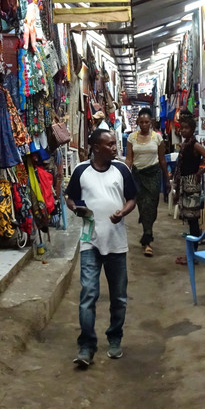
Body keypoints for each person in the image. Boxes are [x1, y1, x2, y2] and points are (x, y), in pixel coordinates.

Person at [64, 128, 137, 368]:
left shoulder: (122, 170)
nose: (115, 148)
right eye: (110, 145)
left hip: (116, 243)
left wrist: (122, 212)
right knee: (88, 295)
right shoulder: (81, 171)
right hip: (90, 242)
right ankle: (86, 346)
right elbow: (70, 197)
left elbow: (131, 199)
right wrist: (76, 209)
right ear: (96, 148)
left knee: (119, 297)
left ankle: (115, 338)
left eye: (115, 144)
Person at [125, 107, 170, 257]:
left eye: (147, 122)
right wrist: (124, 174)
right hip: (137, 175)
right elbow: (129, 159)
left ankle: (147, 234)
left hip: (154, 175)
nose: (144, 125)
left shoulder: (157, 138)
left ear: (151, 122)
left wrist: (167, 179)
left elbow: (162, 159)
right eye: (141, 122)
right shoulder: (131, 137)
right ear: (138, 122)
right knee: (142, 205)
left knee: (151, 205)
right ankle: (147, 239)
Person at [175, 111, 205, 238]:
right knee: (189, 219)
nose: (183, 130)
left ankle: (193, 251)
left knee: (193, 219)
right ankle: (191, 251)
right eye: (181, 128)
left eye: (186, 128)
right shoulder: (185, 144)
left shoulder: (195, 145)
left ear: (192, 129)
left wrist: (200, 173)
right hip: (185, 183)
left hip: (192, 184)